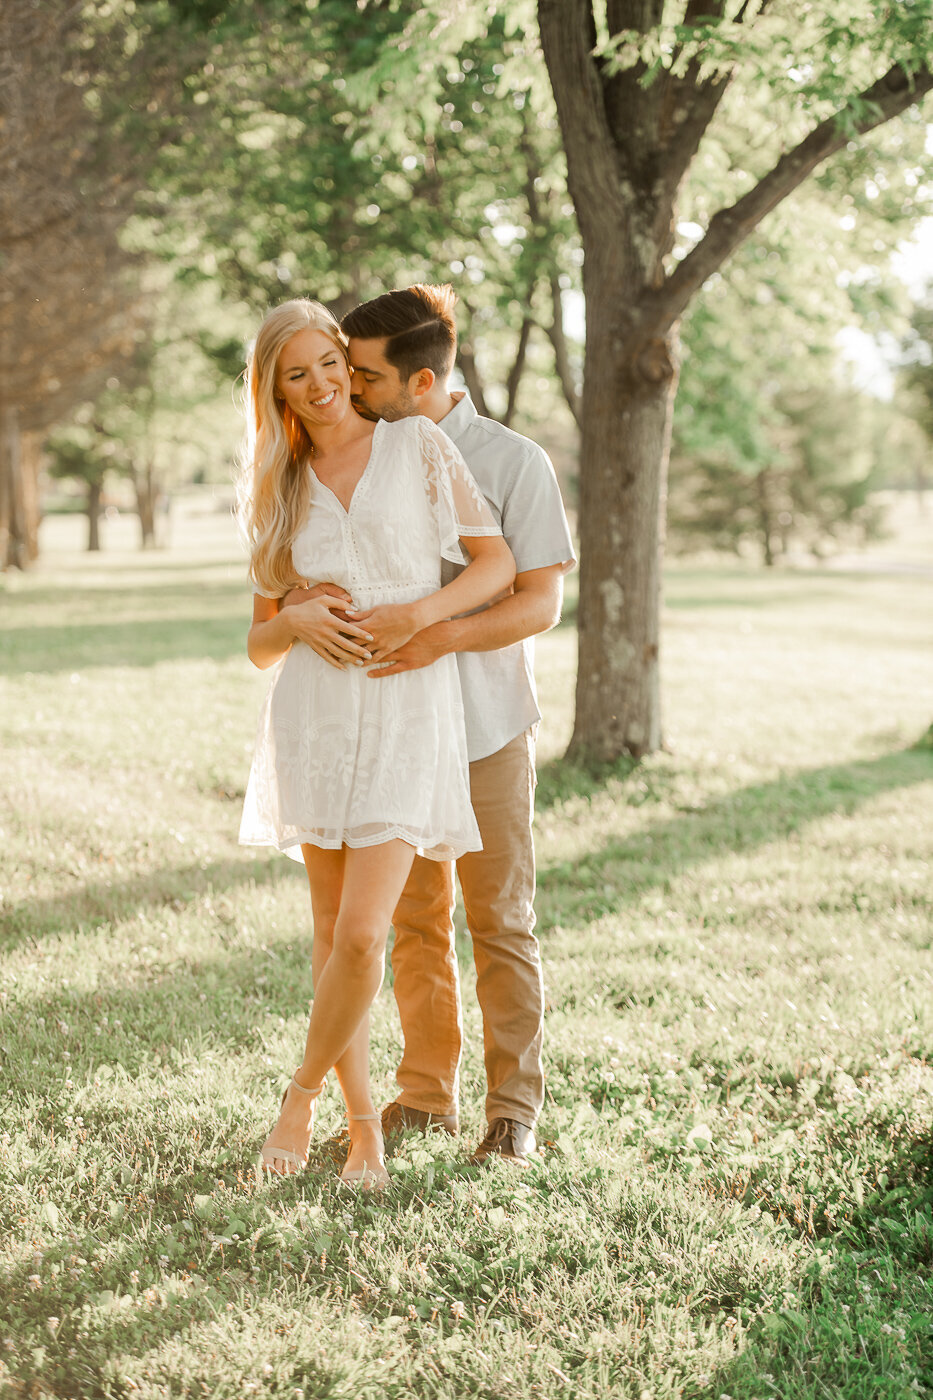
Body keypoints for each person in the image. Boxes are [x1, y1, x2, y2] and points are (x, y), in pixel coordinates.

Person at [285, 284, 575, 1167]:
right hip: (390, 727)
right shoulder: (358, 451)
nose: (348, 387)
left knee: (497, 918)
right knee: (412, 921)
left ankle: (512, 1110)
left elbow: (541, 602)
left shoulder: (513, 460)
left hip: (482, 723)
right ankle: (423, 1095)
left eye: (364, 374)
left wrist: (432, 631)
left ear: (419, 381)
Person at [236, 298, 515, 1187]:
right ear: (273, 387)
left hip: (405, 708)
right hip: (315, 715)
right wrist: (299, 619)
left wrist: (419, 614)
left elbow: (495, 563)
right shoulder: (275, 485)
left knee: (364, 935)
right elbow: (257, 643)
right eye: (297, 372)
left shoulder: (417, 447)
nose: (321, 385)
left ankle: (298, 1096)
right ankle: (363, 1132)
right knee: (329, 937)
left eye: (330, 363)